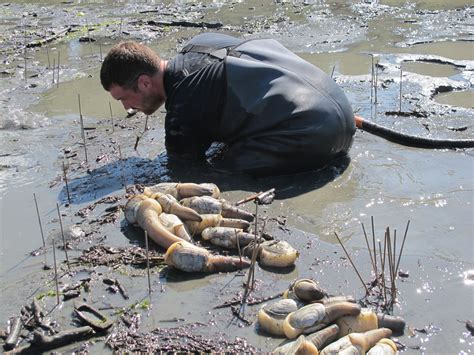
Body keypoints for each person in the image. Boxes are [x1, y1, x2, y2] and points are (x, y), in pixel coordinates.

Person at [100, 32, 356, 176]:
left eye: (123, 98)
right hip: (342, 110)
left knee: (220, 170)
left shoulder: (182, 109)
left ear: (144, 83)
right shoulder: (201, 41)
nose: (127, 108)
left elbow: (183, 170)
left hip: (319, 138)